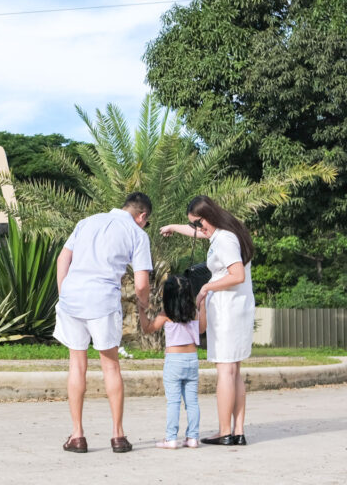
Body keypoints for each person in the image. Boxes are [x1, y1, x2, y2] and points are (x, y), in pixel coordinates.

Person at [55, 192, 153, 454]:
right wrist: (144, 305)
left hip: (72, 298)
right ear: (142, 216)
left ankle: (77, 436)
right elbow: (142, 284)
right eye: (146, 221)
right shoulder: (137, 234)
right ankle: (118, 436)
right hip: (103, 300)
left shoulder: (87, 222)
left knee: (77, 364)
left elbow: (62, 259)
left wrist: (64, 293)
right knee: (110, 366)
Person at [159, 195, 255, 446]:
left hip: (227, 311)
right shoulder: (228, 232)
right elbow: (200, 235)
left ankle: (224, 432)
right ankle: (238, 431)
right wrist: (173, 227)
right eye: (194, 225)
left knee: (225, 370)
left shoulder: (223, 239)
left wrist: (206, 289)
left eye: (199, 222)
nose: (199, 229)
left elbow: (237, 275)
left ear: (209, 215)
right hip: (238, 308)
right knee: (234, 371)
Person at [137, 274, 207, 449]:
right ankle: (193, 438)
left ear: (167, 295)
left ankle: (171, 438)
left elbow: (147, 329)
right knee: (192, 401)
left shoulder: (166, 314)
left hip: (174, 361)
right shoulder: (194, 312)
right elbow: (202, 329)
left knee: (173, 402)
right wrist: (203, 307)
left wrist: (141, 311)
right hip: (192, 359)